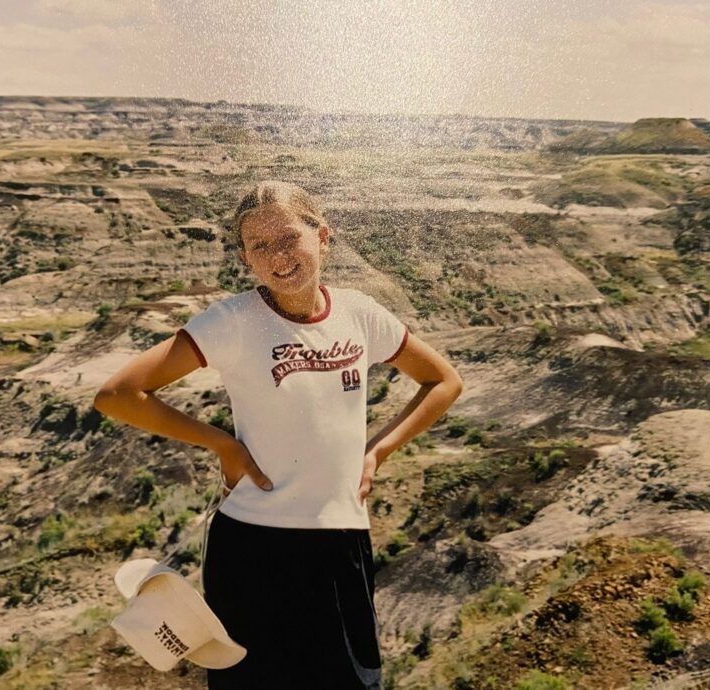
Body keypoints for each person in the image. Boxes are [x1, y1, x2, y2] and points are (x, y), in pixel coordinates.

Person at [93, 180, 463, 689]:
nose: (279, 257)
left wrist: (378, 451)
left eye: (289, 238)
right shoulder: (233, 321)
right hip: (252, 547)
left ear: (323, 237)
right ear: (246, 259)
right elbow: (117, 395)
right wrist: (222, 443)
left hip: (340, 541)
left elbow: (444, 381)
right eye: (260, 247)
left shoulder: (359, 314)